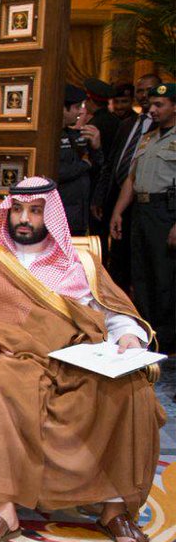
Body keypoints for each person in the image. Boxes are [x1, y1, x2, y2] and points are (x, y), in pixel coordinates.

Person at [0, 177, 161, 542]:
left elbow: (113, 311)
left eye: (35, 211)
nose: (24, 219)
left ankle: (115, 509)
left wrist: (128, 336)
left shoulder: (79, 264)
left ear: (51, 214)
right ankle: (3, 509)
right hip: (15, 360)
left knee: (132, 389)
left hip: (78, 359)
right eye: (18, 210)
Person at [111, 82, 176, 352]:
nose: (153, 109)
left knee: (165, 275)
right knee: (141, 273)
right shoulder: (148, 138)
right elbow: (131, 178)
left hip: (167, 211)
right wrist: (118, 211)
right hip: (142, 210)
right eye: (152, 104)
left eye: (160, 105)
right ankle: (147, 331)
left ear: (174, 106)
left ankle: (168, 340)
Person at [93, 74, 159, 288]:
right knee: (116, 259)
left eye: (149, 90)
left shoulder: (162, 127)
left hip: (143, 203)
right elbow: (111, 163)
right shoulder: (126, 124)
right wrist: (100, 196)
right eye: (140, 91)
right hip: (116, 199)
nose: (144, 95)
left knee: (139, 262)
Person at [57, 85, 103, 236]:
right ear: (63, 109)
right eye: (77, 107)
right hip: (59, 216)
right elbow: (56, 172)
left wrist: (96, 147)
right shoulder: (49, 136)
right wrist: (84, 165)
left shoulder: (75, 135)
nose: (81, 111)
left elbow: (98, 168)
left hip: (79, 214)